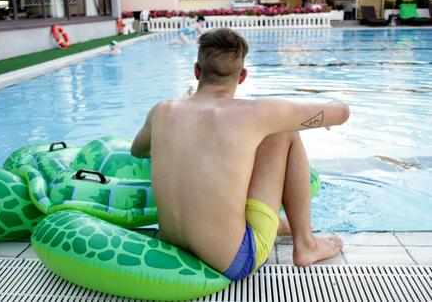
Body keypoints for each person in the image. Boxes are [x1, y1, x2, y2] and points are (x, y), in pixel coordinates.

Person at [131, 28, 349, 281]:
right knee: (282, 131)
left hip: (173, 244)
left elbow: (137, 150)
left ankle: (280, 226)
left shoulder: (163, 110)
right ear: (242, 76)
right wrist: (322, 111)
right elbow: (342, 112)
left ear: (197, 71)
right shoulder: (255, 113)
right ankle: (306, 245)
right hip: (233, 260)